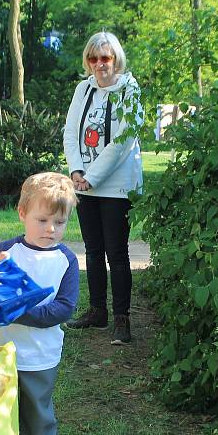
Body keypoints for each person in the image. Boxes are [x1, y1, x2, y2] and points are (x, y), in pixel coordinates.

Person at [0, 172, 79, 435]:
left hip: (39, 358)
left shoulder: (66, 260)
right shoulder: (5, 251)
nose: (51, 229)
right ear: (22, 214)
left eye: (59, 222)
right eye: (42, 220)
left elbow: (63, 308)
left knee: (38, 419)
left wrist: (18, 309)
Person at [62, 31, 143, 345]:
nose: (99, 64)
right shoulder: (83, 89)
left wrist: (92, 177)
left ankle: (122, 319)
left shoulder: (129, 90)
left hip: (116, 188)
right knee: (93, 251)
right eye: (93, 58)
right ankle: (97, 311)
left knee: (117, 254)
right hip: (84, 184)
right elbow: (71, 132)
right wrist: (76, 171)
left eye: (105, 58)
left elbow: (122, 142)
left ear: (116, 59)